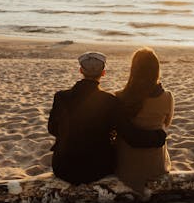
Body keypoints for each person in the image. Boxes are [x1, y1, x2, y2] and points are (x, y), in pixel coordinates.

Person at [48, 51, 167, 185]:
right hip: (96, 169)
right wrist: (159, 136)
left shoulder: (60, 97)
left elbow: (52, 129)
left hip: (62, 168)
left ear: (80, 70)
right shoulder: (109, 101)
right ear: (103, 73)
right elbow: (132, 137)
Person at [115, 47, 174, 194]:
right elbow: (167, 123)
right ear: (156, 71)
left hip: (125, 168)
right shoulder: (167, 97)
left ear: (133, 70)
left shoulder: (119, 97)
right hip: (156, 167)